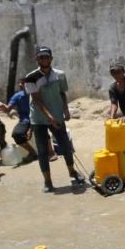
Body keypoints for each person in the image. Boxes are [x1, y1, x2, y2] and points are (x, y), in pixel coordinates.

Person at [24, 46, 83, 193]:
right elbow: (37, 100)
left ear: (51, 58)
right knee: (43, 151)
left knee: (66, 146)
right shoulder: (31, 77)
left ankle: (72, 172)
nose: (44, 59)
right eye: (41, 57)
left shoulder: (60, 75)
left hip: (57, 116)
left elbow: (62, 93)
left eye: (46, 57)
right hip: (39, 119)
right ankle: (48, 181)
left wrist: (66, 110)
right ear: (37, 59)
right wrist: (49, 117)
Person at [0, 78, 38, 163]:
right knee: (17, 134)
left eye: (23, 83)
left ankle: (51, 152)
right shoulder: (18, 96)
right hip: (25, 121)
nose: (20, 85)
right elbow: (8, 109)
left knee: (44, 134)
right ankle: (32, 153)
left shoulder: (36, 95)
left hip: (38, 119)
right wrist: (5, 108)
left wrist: (31, 129)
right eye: (20, 83)